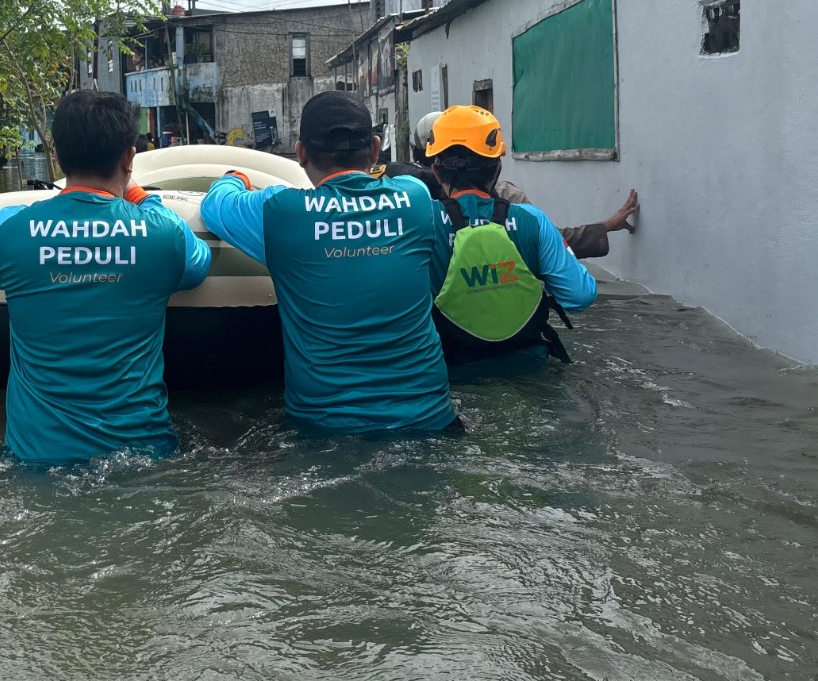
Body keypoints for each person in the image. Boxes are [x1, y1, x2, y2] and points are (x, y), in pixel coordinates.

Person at [200, 90, 457, 435]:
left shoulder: (282, 212)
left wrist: (235, 176)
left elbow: (216, 205)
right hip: (432, 421)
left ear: (301, 153)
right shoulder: (415, 199)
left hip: (326, 432)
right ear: (376, 148)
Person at [0, 90, 212, 465]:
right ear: (129, 157)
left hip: (34, 460)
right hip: (144, 459)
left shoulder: (9, 231)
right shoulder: (162, 234)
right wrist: (142, 198)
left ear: (56, 156)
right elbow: (197, 266)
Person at [421, 105, 598, 364]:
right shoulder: (533, 220)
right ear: (497, 169)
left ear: (436, 171)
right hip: (530, 369)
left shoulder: (422, 223)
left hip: (453, 372)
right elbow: (580, 296)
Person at [379, 111, 640, 259]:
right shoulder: (509, 198)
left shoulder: (405, 201)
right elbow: (553, 244)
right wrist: (605, 226)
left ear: (429, 163)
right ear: (495, 164)